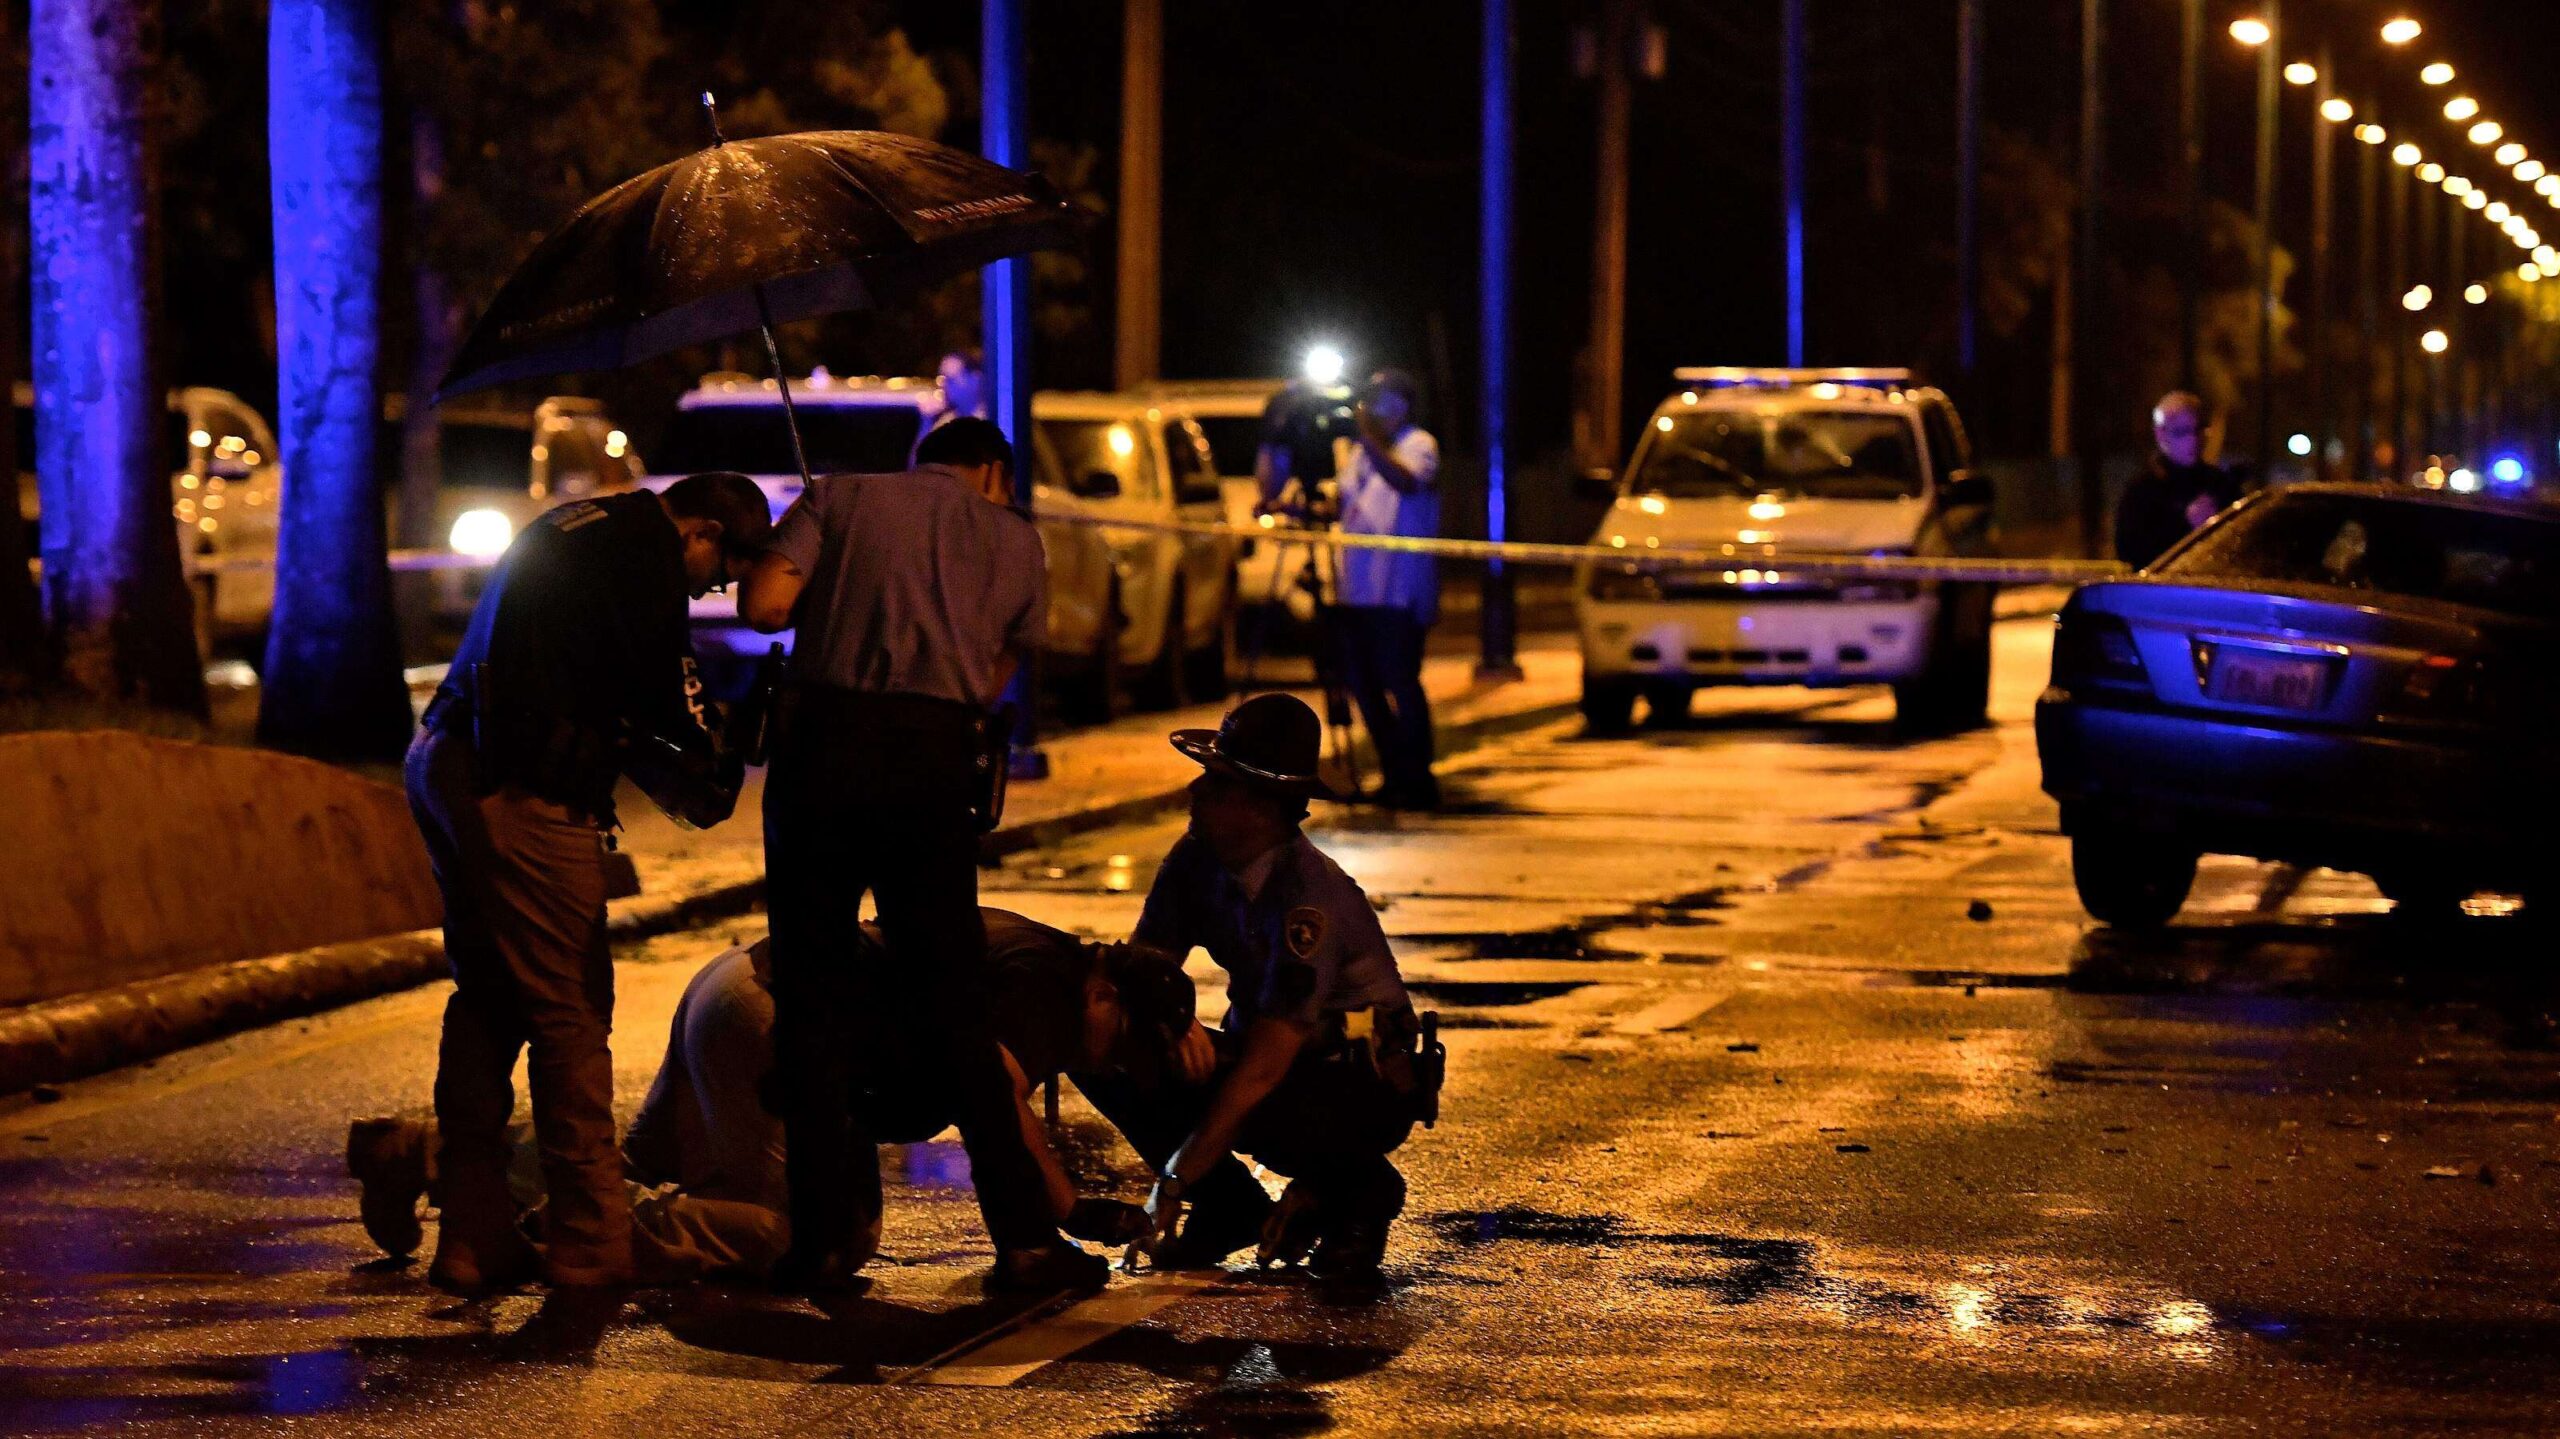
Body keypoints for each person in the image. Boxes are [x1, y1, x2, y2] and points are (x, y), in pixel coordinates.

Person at [346, 911, 1205, 1285]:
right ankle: (586, 1233)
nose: (1116, 1067)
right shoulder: (1050, 992)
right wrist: (1066, 1215)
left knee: (646, 1155)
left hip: (737, 982)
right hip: (770, 1024)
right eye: (1127, 1047)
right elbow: (998, 1100)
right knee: (807, 1234)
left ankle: (426, 1154)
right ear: (1108, 998)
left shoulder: (1040, 954)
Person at [736, 416, 1092, 1294]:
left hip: (819, 754)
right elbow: (999, 670)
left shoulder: (838, 496)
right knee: (956, 1005)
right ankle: (1024, 1240)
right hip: (931, 762)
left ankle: (820, 1240)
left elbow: (763, 607)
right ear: (992, 474)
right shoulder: (1015, 538)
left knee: (811, 995)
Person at [405, 471, 772, 1294]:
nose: (712, 587)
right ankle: (592, 1239)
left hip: (449, 755)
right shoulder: (644, 556)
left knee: (490, 996)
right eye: (720, 570)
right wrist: (720, 755)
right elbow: (667, 710)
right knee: (571, 1006)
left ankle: (473, 1233)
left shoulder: (586, 524)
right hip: (523, 788)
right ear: (703, 530)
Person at [1078, 694, 1437, 1285]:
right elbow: (1141, 971)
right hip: (1270, 1058)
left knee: (1283, 1107)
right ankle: (1231, 1209)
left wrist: (1174, 1179)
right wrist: (1172, 1018)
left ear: (1263, 808)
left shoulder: (1308, 900)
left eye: (1215, 785)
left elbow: (1264, 1069)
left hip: (1352, 1078)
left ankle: (1357, 1193)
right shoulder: (1195, 860)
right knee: (1108, 1047)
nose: (1195, 793)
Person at [1331, 369, 1443, 809]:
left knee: (1400, 680)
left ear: (1401, 404)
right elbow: (1345, 502)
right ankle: (1394, 773)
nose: (1370, 409)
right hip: (1356, 590)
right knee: (1364, 685)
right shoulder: (1359, 453)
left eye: (1379, 400)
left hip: (1399, 590)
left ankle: (1419, 777)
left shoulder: (1420, 444)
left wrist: (1366, 435)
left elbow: (1404, 481)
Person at [2114, 391, 2244, 569]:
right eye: (2182, 432)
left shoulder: (2219, 484)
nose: (2193, 439)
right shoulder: (2142, 490)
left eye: (2198, 430)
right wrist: (2184, 524)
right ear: (2161, 434)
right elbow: (2129, 551)